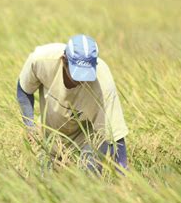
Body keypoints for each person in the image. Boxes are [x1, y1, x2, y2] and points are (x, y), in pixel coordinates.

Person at [16, 35, 128, 174]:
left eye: (86, 74)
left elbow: (115, 136)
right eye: (77, 74)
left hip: (88, 137)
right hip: (51, 134)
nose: (82, 80)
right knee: (44, 179)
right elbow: (24, 89)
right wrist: (30, 126)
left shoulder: (103, 82)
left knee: (87, 177)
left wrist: (124, 177)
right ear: (64, 61)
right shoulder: (41, 60)